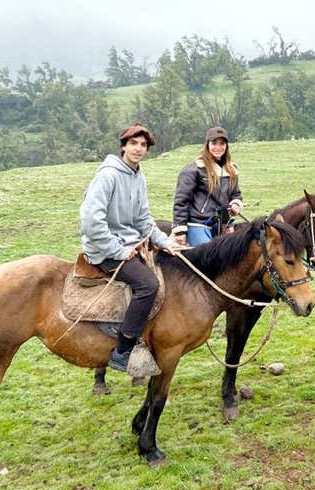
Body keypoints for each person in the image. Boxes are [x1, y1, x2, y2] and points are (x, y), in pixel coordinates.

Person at [80, 123, 177, 373]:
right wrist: (118, 250)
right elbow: (91, 220)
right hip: (105, 248)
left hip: (129, 243)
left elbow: (143, 219)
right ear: (123, 147)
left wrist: (165, 242)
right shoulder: (109, 175)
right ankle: (122, 351)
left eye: (143, 145)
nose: (139, 149)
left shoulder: (138, 176)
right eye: (133, 143)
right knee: (148, 285)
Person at [171, 126, 242, 247]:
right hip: (197, 224)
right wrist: (180, 231)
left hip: (221, 225)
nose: (218, 147)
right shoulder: (194, 169)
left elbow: (236, 194)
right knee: (210, 260)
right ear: (207, 144)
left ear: (226, 146)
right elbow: (181, 200)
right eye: (214, 143)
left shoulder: (231, 169)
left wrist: (235, 204)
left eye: (222, 143)